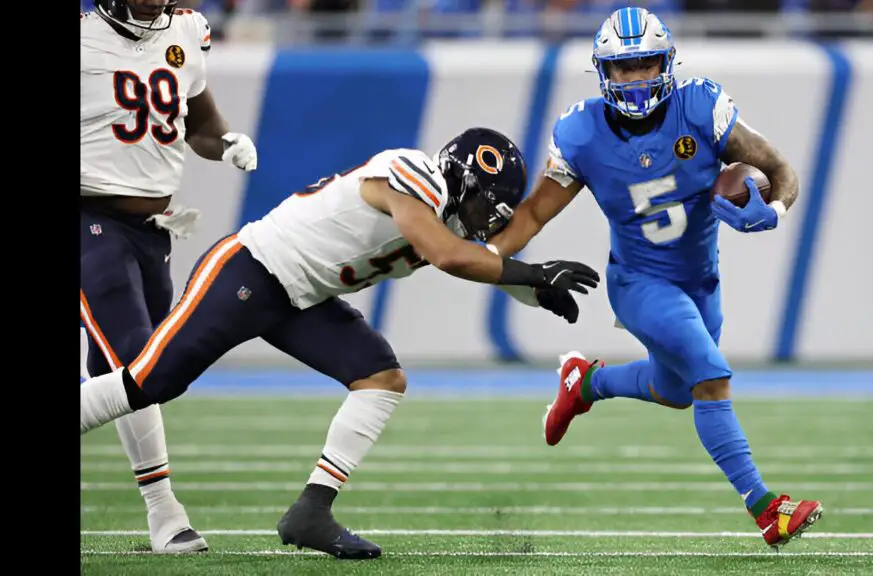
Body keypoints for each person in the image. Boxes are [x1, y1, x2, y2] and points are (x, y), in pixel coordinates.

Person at [79, 127, 601, 559]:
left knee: (381, 376)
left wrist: (536, 290)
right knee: (150, 381)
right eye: (489, 203)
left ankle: (312, 511)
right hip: (252, 270)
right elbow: (447, 256)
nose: (491, 218)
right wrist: (534, 272)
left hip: (300, 298)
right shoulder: (413, 174)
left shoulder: (440, 213)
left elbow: (467, 254)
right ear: (463, 180)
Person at [485, 7, 823, 550]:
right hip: (640, 283)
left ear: (666, 62)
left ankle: (585, 382)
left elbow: (781, 171)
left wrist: (774, 211)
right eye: (623, 68)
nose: (636, 77)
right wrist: (478, 255)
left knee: (676, 391)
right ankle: (767, 509)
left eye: (645, 64)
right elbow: (532, 215)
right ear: (604, 73)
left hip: (701, 282)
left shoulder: (701, 108)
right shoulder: (581, 132)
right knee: (711, 378)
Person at [81, 0, 259, 554]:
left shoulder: (185, 30)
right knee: (138, 363)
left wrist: (225, 142)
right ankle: (165, 513)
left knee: (127, 372)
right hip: (88, 217)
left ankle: (163, 512)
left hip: (154, 229)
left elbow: (199, 124)